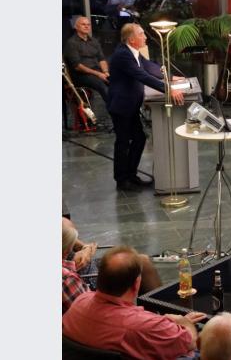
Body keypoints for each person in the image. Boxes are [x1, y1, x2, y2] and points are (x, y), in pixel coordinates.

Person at [63, 246, 206, 360]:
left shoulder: (80, 302)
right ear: (136, 284)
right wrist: (184, 322)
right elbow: (190, 342)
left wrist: (164, 321)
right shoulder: (143, 327)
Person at [108, 23, 184, 191]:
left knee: (139, 138)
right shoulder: (123, 55)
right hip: (121, 105)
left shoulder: (134, 52)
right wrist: (168, 89)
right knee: (123, 143)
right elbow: (141, 75)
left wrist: (170, 77)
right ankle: (122, 180)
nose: (145, 37)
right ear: (132, 39)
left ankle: (131, 175)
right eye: (142, 34)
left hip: (131, 105)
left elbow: (149, 67)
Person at [62, 217, 162, 313]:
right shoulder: (66, 279)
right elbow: (87, 311)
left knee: (142, 260)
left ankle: (158, 311)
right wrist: (82, 255)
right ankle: (158, 318)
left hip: (86, 267)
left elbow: (66, 231)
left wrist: (83, 247)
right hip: (88, 282)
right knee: (138, 265)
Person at [64, 16, 110, 106]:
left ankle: (123, 107)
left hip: (97, 71)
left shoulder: (94, 41)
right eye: (83, 24)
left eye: (88, 24)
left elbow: (102, 59)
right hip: (81, 75)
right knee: (101, 85)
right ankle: (116, 111)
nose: (86, 26)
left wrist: (106, 72)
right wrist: (98, 74)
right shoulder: (72, 43)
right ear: (76, 27)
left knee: (116, 81)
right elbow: (77, 66)